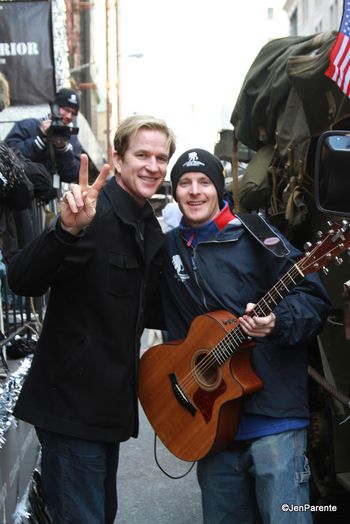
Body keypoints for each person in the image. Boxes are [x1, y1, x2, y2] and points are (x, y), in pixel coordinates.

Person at [7, 114, 176, 524]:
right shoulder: (91, 214)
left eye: (161, 157)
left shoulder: (147, 227)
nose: (153, 166)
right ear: (117, 159)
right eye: (142, 155)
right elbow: (23, 278)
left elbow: (154, 310)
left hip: (109, 413)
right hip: (71, 411)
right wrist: (65, 230)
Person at [160, 148, 331, 524]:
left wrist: (276, 322)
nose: (194, 191)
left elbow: (313, 298)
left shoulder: (256, 233)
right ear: (174, 193)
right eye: (185, 183)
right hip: (211, 425)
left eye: (204, 182)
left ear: (219, 189)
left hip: (274, 422)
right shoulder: (171, 248)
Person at [4, 87, 82, 184]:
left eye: (73, 113)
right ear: (55, 107)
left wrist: (63, 149)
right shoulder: (28, 126)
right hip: (24, 194)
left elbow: (72, 175)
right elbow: (8, 157)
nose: (69, 116)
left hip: (52, 196)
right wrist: (40, 139)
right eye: (66, 110)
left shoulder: (71, 139)